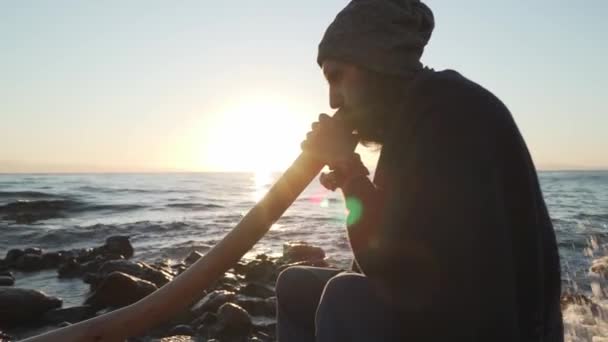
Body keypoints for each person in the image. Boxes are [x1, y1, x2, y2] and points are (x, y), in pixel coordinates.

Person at [275, 0, 564, 341]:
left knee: (344, 298)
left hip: (485, 328)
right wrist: (347, 173)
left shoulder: (448, 113)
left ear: (376, 59)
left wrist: (348, 168)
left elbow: (391, 264)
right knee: (294, 286)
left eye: (336, 76)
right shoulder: (420, 113)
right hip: (448, 312)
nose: (333, 101)